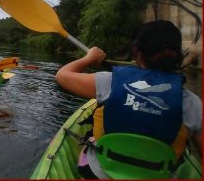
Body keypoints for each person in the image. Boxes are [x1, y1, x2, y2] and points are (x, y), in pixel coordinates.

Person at [55, 20, 202, 179]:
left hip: (101, 174)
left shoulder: (108, 82)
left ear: (137, 53)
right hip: (159, 177)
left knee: (90, 139)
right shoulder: (191, 103)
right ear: (178, 57)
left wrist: (90, 58)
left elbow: (62, 76)